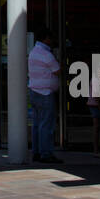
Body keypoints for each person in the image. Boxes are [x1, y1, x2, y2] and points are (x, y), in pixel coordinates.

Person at [28, 32, 62, 164]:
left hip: (34, 91)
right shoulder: (46, 54)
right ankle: (46, 153)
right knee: (46, 125)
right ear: (46, 38)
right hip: (45, 93)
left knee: (37, 124)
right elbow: (57, 70)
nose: (52, 40)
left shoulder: (33, 52)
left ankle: (36, 152)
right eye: (50, 37)